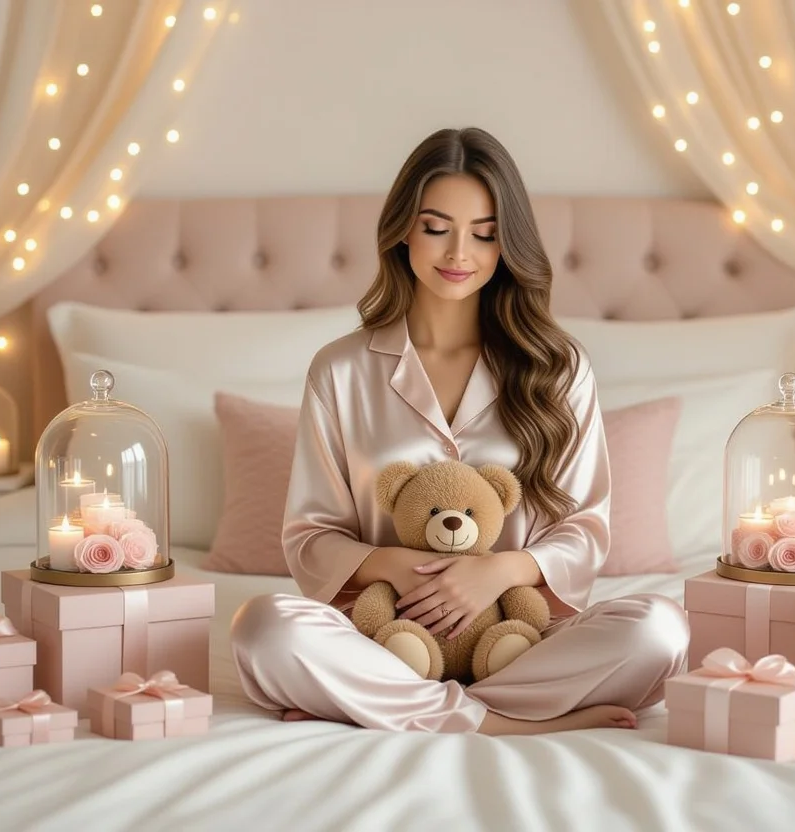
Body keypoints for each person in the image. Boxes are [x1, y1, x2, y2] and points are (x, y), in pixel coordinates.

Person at [230, 127, 688, 735]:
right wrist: (390, 564)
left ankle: (389, 706)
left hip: (518, 636)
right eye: (436, 226)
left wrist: (500, 572)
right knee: (263, 629)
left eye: (485, 233)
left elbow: (585, 527)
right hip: (386, 633)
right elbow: (310, 535)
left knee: (661, 629)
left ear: (509, 242)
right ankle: (509, 720)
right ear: (403, 229)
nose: (457, 253)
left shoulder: (559, 367)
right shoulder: (340, 369)